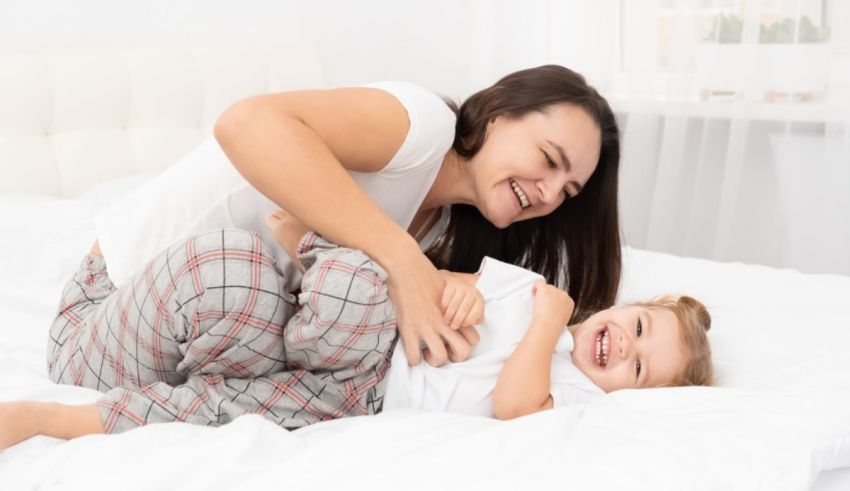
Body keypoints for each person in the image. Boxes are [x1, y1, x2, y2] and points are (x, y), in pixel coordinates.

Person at [0, 213, 711, 449]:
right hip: (375, 338)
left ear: (635, 394)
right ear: (626, 307)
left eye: (640, 366)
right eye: (639, 326)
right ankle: (308, 254)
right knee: (362, 288)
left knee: (229, 406)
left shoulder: (572, 395)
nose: (625, 346)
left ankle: (55, 418)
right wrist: (457, 302)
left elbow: (516, 404)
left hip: (359, 399)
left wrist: (551, 321)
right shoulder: (526, 291)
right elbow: (438, 285)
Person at [92, 64, 622, 368]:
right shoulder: (421, 126)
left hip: (208, 338)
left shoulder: (441, 226)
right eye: (549, 161)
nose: (549, 193)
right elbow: (246, 122)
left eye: (568, 192)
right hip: (111, 300)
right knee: (245, 269)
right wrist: (402, 263)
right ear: (498, 113)